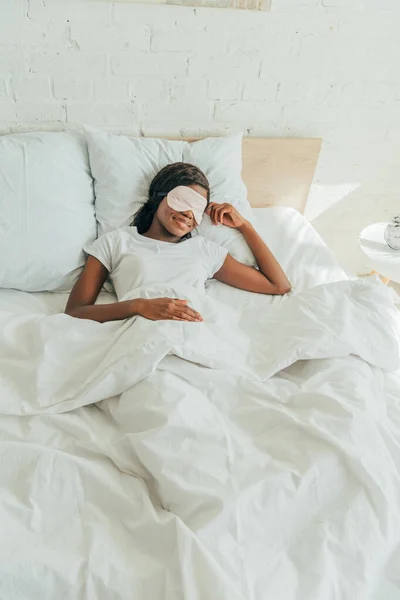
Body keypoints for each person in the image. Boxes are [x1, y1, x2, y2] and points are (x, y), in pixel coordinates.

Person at [65, 162, 291, 323]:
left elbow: (279, 285)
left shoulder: (204, 250)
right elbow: (75, 311)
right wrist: (138, 306)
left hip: (194, 331)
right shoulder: (116, 242)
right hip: (139, 333)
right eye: (182, 200)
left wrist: (245, 226)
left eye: (198, 209)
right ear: (158, 197)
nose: (188, 214)